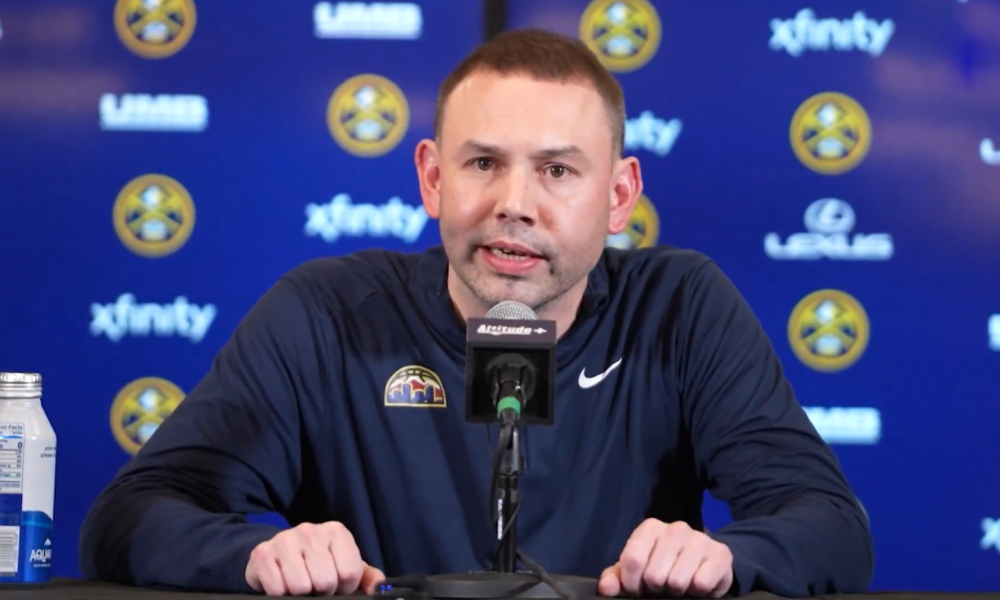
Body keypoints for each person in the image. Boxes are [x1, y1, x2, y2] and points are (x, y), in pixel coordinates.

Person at [79, 28, 874, 598]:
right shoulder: (326, 313)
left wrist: (726, 558)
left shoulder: (681, 308)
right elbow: (129, 516)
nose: (513, 204)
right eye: (483, 162)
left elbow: (830, 525)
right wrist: (255, 557)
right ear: (433, 179)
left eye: (557, 170)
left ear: (619, 195)